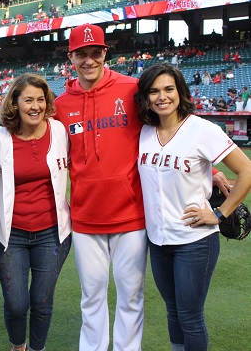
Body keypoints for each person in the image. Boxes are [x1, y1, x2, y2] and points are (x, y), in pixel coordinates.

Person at [135, 62, 251, 351]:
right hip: (158, 241)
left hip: (194, 241)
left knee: (190, 316)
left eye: (168, 89)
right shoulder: (145, 131)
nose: (162, 97)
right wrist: (212, 173)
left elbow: (247, 170)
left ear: (180, 91)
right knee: (172, 312)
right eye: (154, 91)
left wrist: (219, 213)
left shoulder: (202, 129)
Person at [54, 24, 148, 351]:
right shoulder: (61, 104)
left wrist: (208, 170)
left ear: (105, 53)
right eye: (82, 54)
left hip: (132, 214)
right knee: (91, 296)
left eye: (96, 53)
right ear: (71, 57)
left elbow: (169, 131)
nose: (89, 60)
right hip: (85, 216)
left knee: (131, 296)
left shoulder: (133, 89)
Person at [0, 73, 72, 351]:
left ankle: (37, 348)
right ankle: (18, 345)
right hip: (10, 233)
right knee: (16, 304)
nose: (35, 106)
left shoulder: (60, 131)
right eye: (28, 100)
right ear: (15, 103)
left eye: (40, 99)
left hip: (52, 233)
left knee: (41, 301)